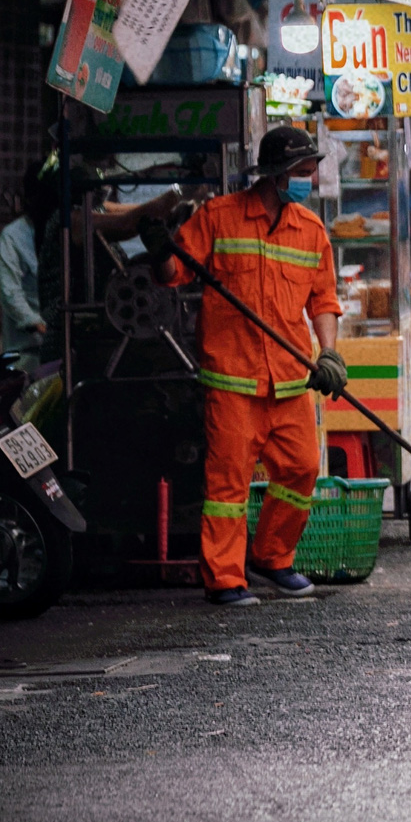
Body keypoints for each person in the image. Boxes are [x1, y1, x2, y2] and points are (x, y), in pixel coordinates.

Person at [146, 127, 343, 608]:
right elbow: (175, 274)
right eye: (301, 171)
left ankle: (273, 558)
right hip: (233, 379)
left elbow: (323, 300)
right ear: (276, 175)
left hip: (291, 376)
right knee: (228, 486)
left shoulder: (311, 231)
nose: (309, 179)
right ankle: (225, 578)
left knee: (302, 468)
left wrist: (329, 353)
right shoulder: (220, 217)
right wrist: (158, 250)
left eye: (310, 170)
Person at [0, 167, 59, 371]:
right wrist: (42, 327)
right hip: (27, 352)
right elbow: (10, 294)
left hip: (61, 349)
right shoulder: (12, 236)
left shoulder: (61, 233)